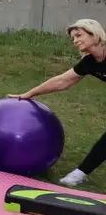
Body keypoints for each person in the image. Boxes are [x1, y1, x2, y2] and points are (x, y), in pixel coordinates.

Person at [9, 18, 106, 186]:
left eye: (79, 35)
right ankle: (80, 174)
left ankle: (79, 174)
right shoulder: (90, 62)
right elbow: (62, 81)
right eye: (73, 38)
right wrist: (30, 93)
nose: (75, 41)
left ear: (94, 33)